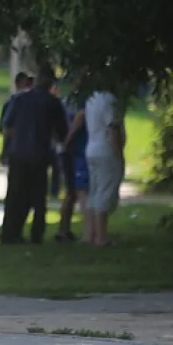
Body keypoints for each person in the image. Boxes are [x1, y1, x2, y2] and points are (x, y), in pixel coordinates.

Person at [0, 64, 68, 245]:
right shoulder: (52, 102)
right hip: (40, 154)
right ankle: (36, 235)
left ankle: (10, 233)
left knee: (15, 196)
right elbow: (62, 131)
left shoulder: (19, 99)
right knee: (38, 198)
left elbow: (7, 127)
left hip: (18, 154)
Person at [83, 87, 126, 246]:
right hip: (105, 149)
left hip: (91, 148)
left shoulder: (91, 98)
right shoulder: (110, 100)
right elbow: (112, 128)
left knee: (95, 191)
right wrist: (119, 154)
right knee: (105, 191)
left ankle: (93, 233)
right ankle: (101, 237)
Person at [58, 74, 89, 242]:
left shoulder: (67, 100)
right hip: (74, 151)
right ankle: (64, 229)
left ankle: (65, 228)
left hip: (73, 150)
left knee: (73, 192)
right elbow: (79, 119)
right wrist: (67, 140)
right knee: (73, 192)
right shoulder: (79, 101)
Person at [0, 72, 33, 166]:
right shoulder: (12, 103)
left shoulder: (34, 104)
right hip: (15, 151)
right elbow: (4, 129)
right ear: (18, 84)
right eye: (26, 84)